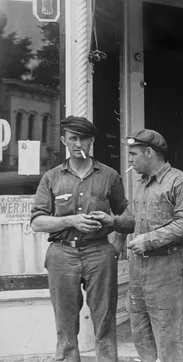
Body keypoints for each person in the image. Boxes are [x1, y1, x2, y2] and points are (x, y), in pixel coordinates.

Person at [92, 129, 183, 362]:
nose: (129, 160)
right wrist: (113, 221)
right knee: (140, 331)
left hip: (166, 265)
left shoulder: (179, 181)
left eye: (133, 154)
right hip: (139, 269)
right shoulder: (142, 185)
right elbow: (134, 221)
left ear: (149, 153)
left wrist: (148, 240)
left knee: (169, 336)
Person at [31, 116, 130, 361]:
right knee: (65, 323)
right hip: (62, 254)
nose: (78, 144)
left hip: (99, 252)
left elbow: (125, 215)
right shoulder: (52, 177)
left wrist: (117, 244)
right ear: (64, 140)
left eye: (83, 138)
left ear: (92, 141)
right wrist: (69, 221)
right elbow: (36, 222)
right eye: (73, 138)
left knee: (105, 320)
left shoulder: (109, 176)